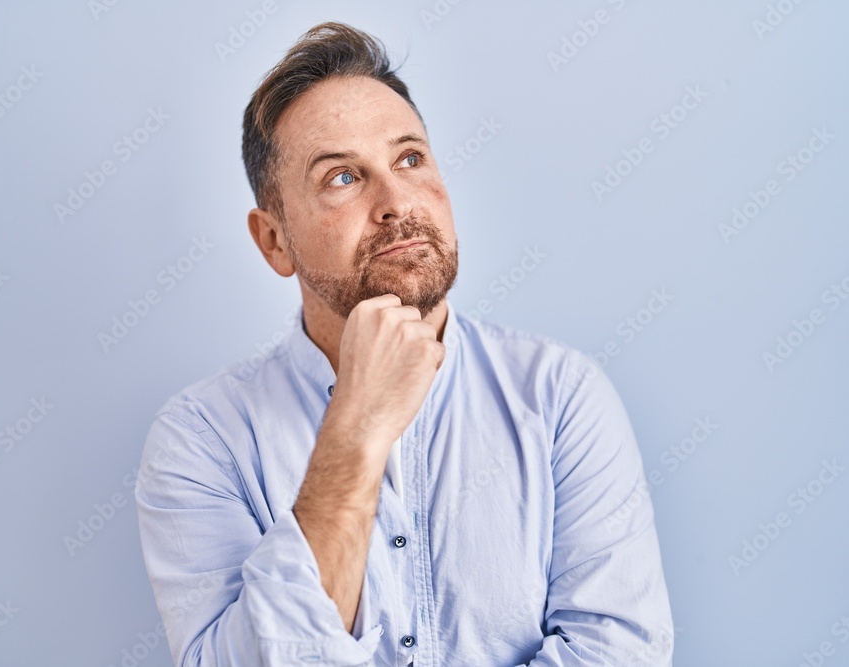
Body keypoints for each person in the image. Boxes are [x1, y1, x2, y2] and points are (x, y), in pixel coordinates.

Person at [135, 21, 673, 666]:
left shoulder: (561, 397)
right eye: (342, 177)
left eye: (409, 159)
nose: (396, 202)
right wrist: (356, 429)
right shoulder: (202, 439)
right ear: (275, 240)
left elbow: (619, 654)